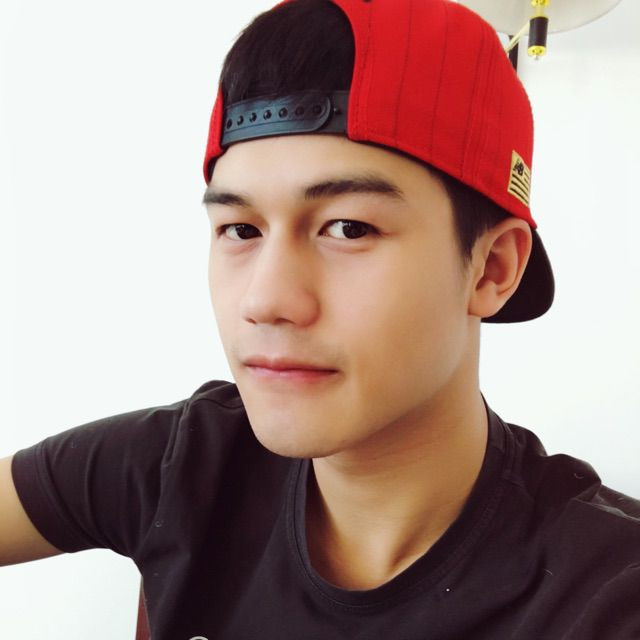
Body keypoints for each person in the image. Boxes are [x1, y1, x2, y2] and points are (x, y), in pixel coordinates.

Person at [1, 0, 639, 638]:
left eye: (348, 227)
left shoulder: (603, 592)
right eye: (241, 229)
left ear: (491, 269)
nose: (265, 300)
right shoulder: (184, 465)